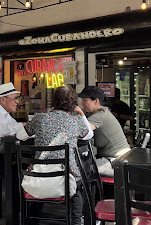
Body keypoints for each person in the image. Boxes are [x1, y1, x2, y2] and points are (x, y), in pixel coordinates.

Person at [23, 85, 93, 225]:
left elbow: (20, 135)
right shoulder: (75, 121)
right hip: (68, 177)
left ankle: (32, 221)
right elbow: (89, 135)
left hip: (39, 176)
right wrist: (81, 114)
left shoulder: (39, 118)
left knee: (39, 177)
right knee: (77, 188)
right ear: (73, 103)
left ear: (54, 100)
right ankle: (76, 221)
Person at [78, 86, 130, 177]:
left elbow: (81, 131)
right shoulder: (101, 112)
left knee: (80, 169)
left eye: (85, 100)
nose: (82, 103)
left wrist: (80, 113)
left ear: (96, 101)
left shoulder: (99, 116)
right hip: (121, 158)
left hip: (116, 161)